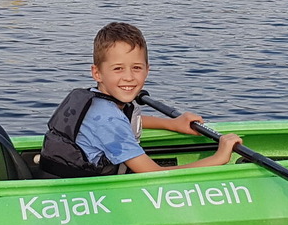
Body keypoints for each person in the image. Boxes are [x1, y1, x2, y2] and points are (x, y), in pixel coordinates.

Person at [40, 22, 242, 178]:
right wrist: (218, 158)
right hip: (83, 192)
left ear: (147, 70)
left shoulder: (102, 104)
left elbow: (128, 120)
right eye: (118, 69)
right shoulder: (108, 120)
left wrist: (172, 124)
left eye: (136, 68)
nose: (129, 77)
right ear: (97, 73)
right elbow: (154, 174)